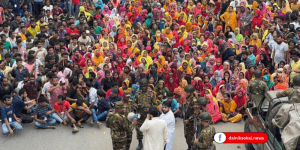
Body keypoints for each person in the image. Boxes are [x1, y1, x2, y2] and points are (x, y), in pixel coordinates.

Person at [134, 78, 157, 150]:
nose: (143, 88)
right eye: (142, 86)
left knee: (150, 130)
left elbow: (155, 104)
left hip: (148, 115)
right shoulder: (138, 93)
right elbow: (134, 102)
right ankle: (140, 143)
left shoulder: (151, 94)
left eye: (145, 86)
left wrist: (149, 108)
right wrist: (136, 106)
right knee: (138, 129)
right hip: (139, 114)